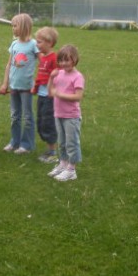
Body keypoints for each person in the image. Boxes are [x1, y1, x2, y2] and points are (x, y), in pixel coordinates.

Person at [0, 13, 39, 154]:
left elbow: (43, 63)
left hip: (27, 88)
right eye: (12, 26)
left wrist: (39, 82)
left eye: (15, 26)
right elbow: (9, 64)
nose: (13, 29)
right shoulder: (14, 44)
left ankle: (26, 145)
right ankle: (14, 142)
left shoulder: (34, 45)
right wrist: (5, 84)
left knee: (27, 117)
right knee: (15, 116)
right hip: (14, 87)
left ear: (23, 26)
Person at [47, 44, 85, 182]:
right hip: (59, 114)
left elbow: (78, 96)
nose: (63, 63)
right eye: (61, 60)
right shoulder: (59, 74)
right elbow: (50, 92)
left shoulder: (78, 76)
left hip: (71, 117)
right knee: (61, 142)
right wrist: (51, 78)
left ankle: (71, 170)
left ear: (74, 59)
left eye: (67, 60)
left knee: (71, 143)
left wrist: (60, 95)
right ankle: (63, 164)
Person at [33, 26, 59, 163]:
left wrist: (52, 91)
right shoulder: (43, 58)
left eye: (39, 42)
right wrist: (35, 88)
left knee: (48, 123)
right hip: (41, 96)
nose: (37, 45)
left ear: (49, 43)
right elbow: (40, 76)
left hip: (50, 97)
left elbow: (58, 77)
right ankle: (49, 150)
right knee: (41, 121)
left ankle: (53, 153)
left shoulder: (54, 58)